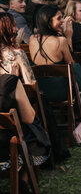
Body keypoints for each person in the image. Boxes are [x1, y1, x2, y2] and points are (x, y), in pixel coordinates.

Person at [0, 11, 70, 162]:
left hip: (3, 109)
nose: (16, 28)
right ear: (9, 29)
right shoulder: (15, 53)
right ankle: (42, 153)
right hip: (16, 105)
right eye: (13, 25)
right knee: (41, 101)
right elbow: (30, 84)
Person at [29, 5, 81, 117]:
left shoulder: (32, 39)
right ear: (48, 21)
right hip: (59, 92)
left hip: (40, 90)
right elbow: (71, 65)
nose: (62, 21)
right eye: (59, 18)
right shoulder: (61, 41)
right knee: (78, 68)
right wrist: (69, 37)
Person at [0, 73, 50, 194]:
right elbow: (29, 117)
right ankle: (23, 181)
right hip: (7, 156)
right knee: (34, 133)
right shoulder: (10, 81)